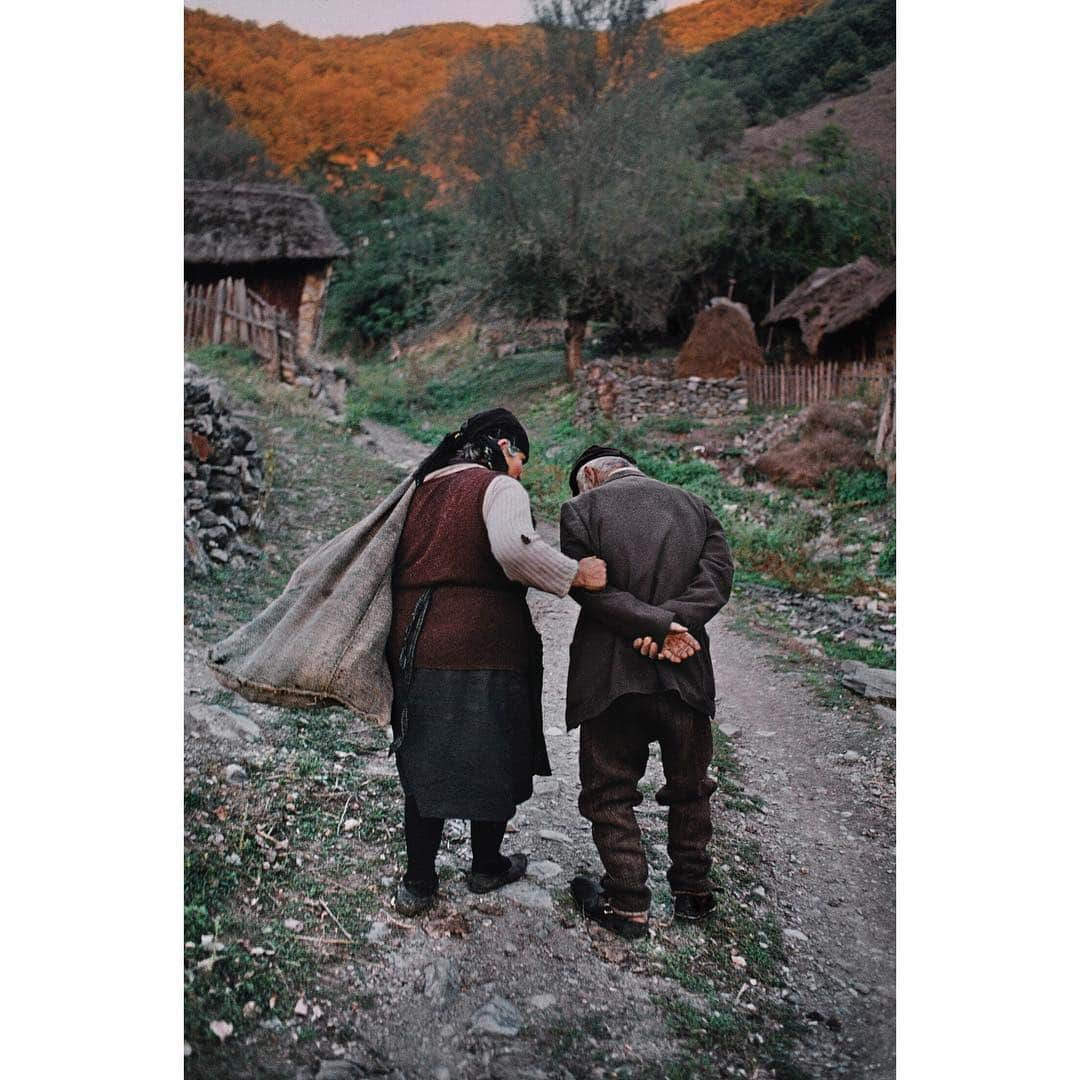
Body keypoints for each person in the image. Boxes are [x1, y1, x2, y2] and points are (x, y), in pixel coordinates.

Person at [388, 409, 607, 916]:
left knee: (424, 757)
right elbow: (513, 549)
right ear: (504, 446)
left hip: (415, 645)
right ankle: (486, 865)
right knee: (493, 752)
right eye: (521, 460)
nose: (520, 473)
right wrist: (576, 574)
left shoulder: (418, 486)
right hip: (486, 643)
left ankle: (418, 882)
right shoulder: (497, 488)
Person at [559, 445, 735, 939]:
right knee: (690, 785)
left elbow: (586, 587)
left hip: (611, 678)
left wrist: (653, 625)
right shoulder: (695, 504)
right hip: (685, 671)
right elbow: (718, 579)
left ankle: (629, 903)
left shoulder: (580, 510)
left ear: (590, 475)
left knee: (609, 790)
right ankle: (693, 893)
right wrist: (674, 627)